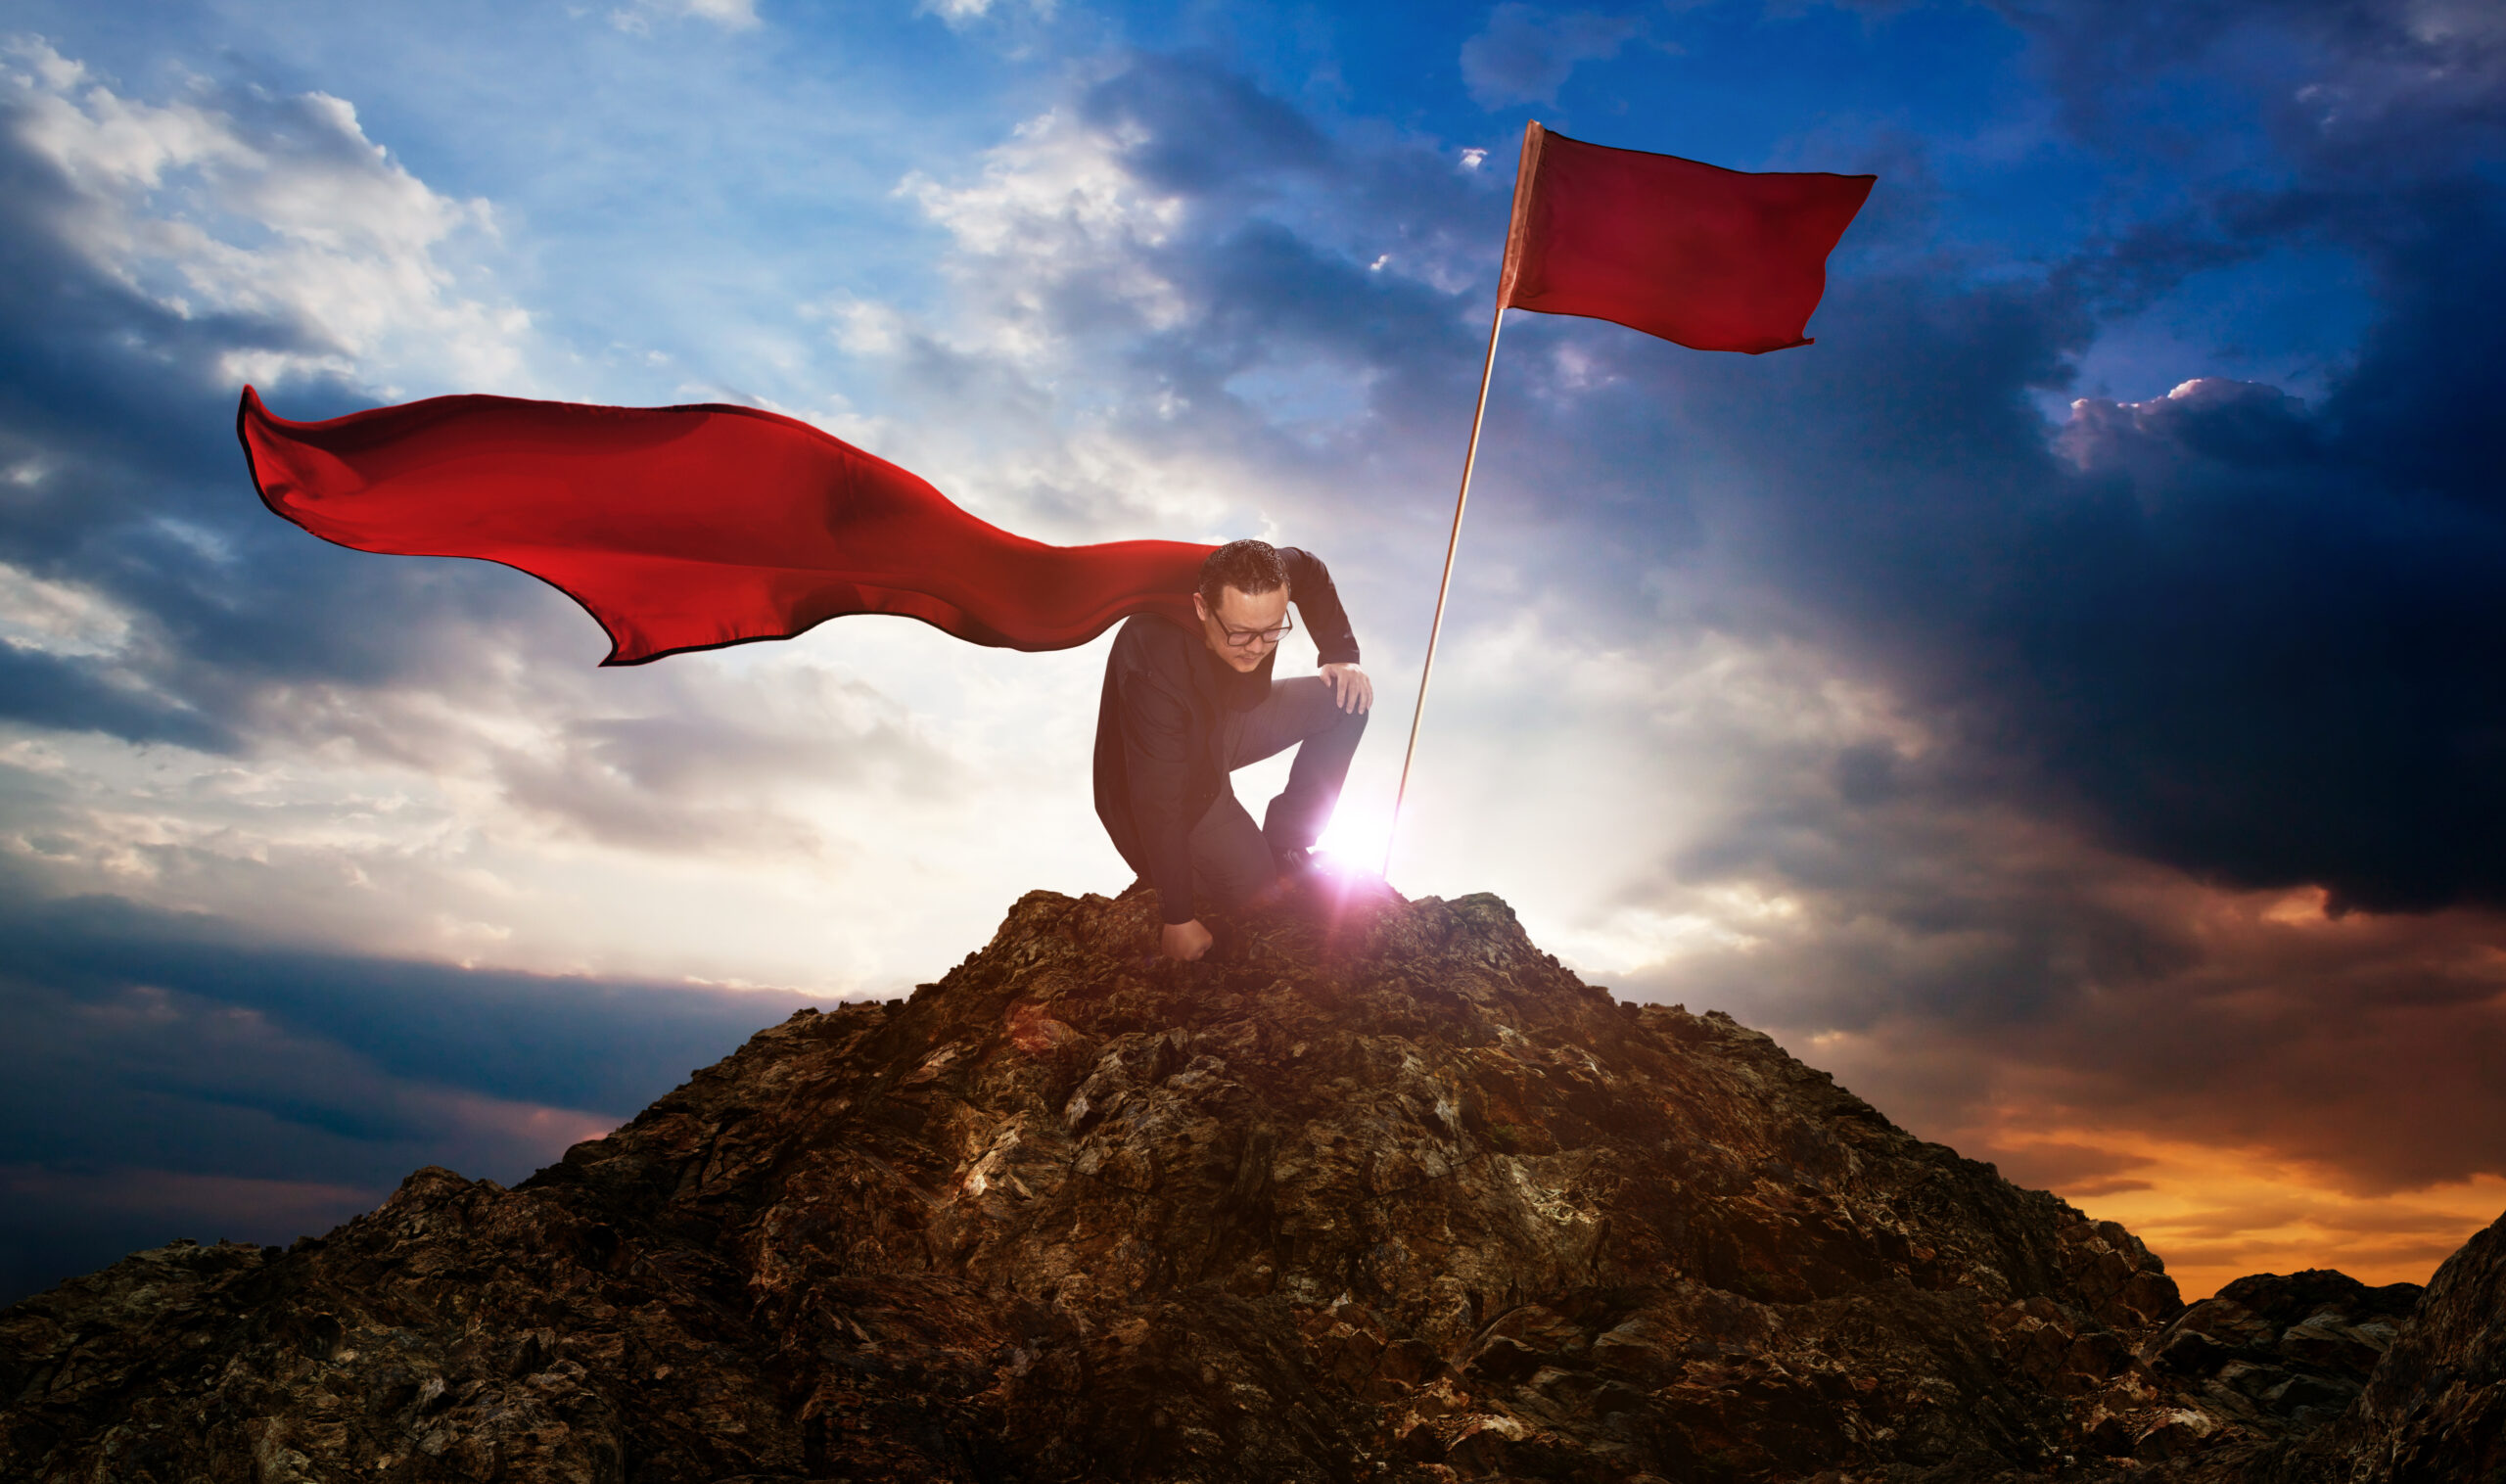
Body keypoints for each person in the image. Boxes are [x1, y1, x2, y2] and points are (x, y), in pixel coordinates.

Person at [1093, 539, 1372, 962]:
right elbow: (1157, 799)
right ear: (1202, 607)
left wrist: (1340, 654)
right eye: (1239, 633)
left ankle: (1287, 843)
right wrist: (1177, 918)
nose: (1256, 648)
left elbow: (1309, 570)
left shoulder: (1266, 574)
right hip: (1178, 775)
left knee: (1348, 702)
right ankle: (1210, 868)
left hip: (1226, 720)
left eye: (1271, 630)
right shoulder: (1152, 664)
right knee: (1257, 892)